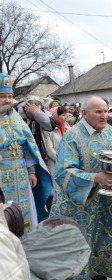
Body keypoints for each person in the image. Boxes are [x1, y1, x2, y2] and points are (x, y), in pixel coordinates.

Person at [50, 96, 112, 280]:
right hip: (77, 207)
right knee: (78, 254)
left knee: (101, 250)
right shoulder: (72, 136)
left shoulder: (109, 131)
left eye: (106, 111)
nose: (104, 116)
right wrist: (95, 178)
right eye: (99, 112)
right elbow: (62, 173)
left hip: (104, 203)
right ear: (84, 114)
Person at [0, 73, 52, 234]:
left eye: (9, 96)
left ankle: (24, 251)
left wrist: (31, 172)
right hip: (2, 176)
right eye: (2, 96)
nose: (7, 100)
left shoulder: (16, 118)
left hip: (21, 176)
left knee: (24, 215)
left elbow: (27, 148)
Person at [43, 106, 70, 212]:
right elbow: (49, 149)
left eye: (66, 114)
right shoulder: (48, 130)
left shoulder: (67, 127)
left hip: (66, 163)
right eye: (63, 115)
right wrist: (61, 160)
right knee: (53, 193)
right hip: (54, 164)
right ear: (55, 115)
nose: (65, 117)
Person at [17, 95, 57, 163]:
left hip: (40, 154)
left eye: (36, 105)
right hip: (23, 156)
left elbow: (51, 126)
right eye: (31, 105)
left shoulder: (43, 113)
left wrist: (36, 112)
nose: (33, 108)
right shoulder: (18, 116)